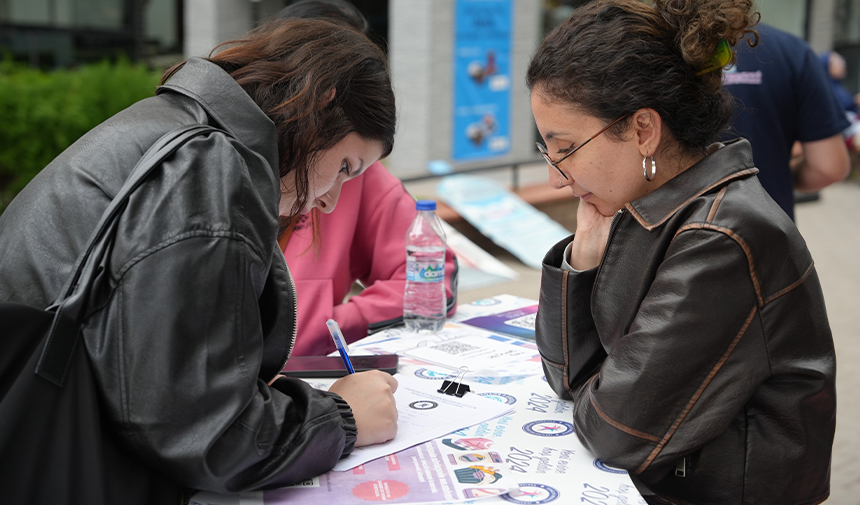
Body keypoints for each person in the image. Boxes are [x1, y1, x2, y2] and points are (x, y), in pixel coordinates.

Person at [0, 17, 399, 502]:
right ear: (323, 103)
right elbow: (200, 431)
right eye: (343, 167)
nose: (332, 200)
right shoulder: (207, 169)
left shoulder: (173, 128)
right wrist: (342, 417)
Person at [527, 1, 836, 504]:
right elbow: (568, 379)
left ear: (643, 130)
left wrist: (603, 383)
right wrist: (581, 256)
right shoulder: (652, 206)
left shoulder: (721, 237)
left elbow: (614, 428)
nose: (556, 176)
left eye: (565, 148)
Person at [276, 0, 458, 355]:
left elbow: (431, 277)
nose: (328, 200)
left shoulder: (360, 175)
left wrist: (332, 325)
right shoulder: (216, 160)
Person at [722, 23, 850, 220]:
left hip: (675, 237)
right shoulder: (792, 50)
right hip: (769, 232)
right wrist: (778, 176)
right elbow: (829, 167)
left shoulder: (663, 44)